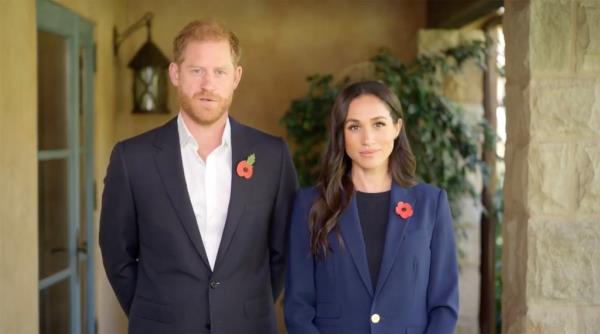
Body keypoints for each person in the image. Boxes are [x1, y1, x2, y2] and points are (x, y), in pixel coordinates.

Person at [99, 20, 297, 334]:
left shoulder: (273, 155)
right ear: (175, 74)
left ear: (236, 77)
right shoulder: (131, 158)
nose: (208, 84)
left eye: (219, 71)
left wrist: (244, 305)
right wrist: (153, 310)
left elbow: (283, 250)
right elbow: (116, 252)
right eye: (196, 71)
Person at [284, 81, 458, 334]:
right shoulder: (310, 205)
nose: (368, 139)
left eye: (379, 124)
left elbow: (444, 304)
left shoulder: (431, 204)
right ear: (341, 134)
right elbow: (298, 308)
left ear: (397, 128)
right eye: (354, 127)